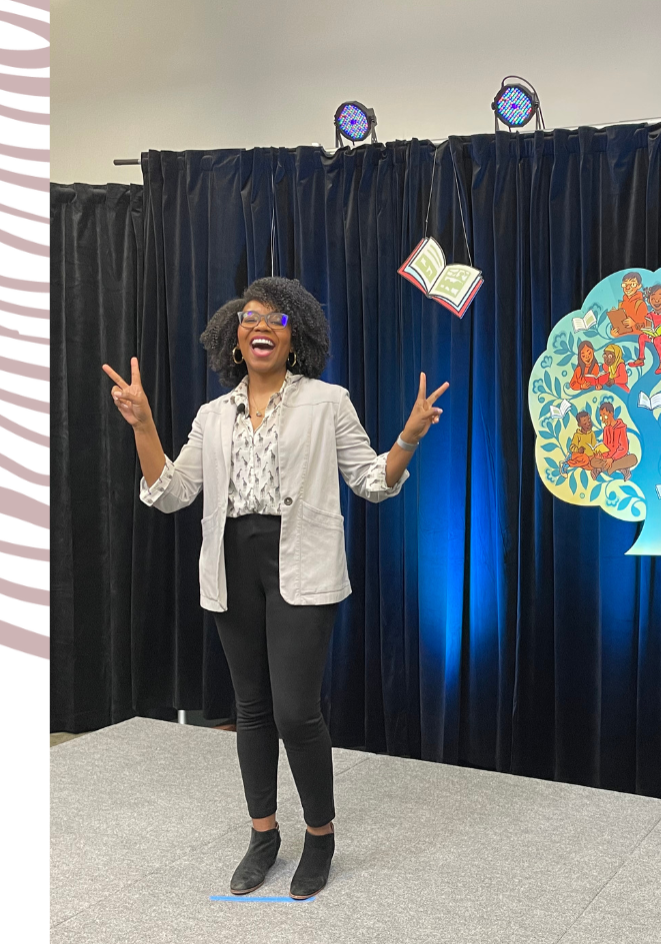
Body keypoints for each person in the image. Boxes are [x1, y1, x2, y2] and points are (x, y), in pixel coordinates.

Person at [102, 277, 448, 901]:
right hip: (231, 564)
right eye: (249, 316)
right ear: (234, 336)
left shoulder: (327, 401)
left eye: (278, 319)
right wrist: (145, 424)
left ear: (297, 338)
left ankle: (320, 835)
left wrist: (410, 438)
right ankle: (264, 835)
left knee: (295, 710)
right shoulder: (212, 416)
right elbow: (172, 492)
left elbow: (372, 480)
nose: (262, 325)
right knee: (251, 710)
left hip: (302, 564)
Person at [589, 399, 638, 481]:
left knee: (633, 458)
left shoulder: (621, 427)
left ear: (611, 414)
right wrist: (602, 455)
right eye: (601, 416)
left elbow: (624, 448)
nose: (603, 419)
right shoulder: (606, 429)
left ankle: (604, 468)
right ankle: (620, 468)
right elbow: (606, 447)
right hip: (608, 458)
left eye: (605, 416)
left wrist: (612, 459)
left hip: (620, 456)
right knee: (593, 461)